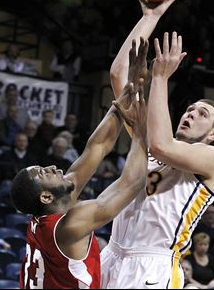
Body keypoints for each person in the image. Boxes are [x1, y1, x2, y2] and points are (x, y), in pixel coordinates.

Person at [101, 0, 214, 289]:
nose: (191, 113)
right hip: (113, 252)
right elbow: (118, 76)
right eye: (191, 109)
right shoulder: (153, 140)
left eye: (202, 114)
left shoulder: (212, 159)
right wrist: (151, 16)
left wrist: (160, 76)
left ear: (213, 134)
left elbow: (161, 146)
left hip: (153, 265)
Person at [10, 39, 149, 289]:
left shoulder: (51, 210)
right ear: (45, 196)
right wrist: (140, 132)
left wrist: (130, 92)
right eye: (44, 172)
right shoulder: (68, 226)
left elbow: (98, 147)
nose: (52, 167)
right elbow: (133, 183)